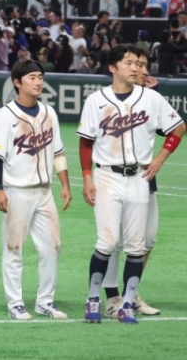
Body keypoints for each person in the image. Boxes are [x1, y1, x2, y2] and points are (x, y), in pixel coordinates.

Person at [78, 45, 185, 324]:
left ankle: (127, 304)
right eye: (129, 63)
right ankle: (94, 300)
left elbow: (178, 128)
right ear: (113, 68)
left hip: (140, 176)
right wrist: (87, 176)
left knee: (137, 245)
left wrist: (160, 159)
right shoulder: (96, 100)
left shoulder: (151, 98)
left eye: (139, 63)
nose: (136, 67)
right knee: (108, 240)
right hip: (106, 175)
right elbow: (85, 141)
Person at [0, 59, 71, 320]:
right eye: (32, 77)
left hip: (44, 192)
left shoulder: (49, 113)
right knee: (14, 248)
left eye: (40, 77)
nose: (38, 82)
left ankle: (45, 301)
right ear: (17, 82)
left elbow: (58, 151)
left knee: (52, 247)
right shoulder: (5, 115)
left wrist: (65, 184)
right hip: (17, 191)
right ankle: (15, 304)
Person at [102, 66, 162, 318]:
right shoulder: (110, 100)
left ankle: (131, 293)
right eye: (135, 65)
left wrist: (155, 94)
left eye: (144, 66)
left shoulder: (149, 99)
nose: (141, 70)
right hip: (116, 178)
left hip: (145, 178)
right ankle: (112, 298)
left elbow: (164, 129)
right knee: (113, 241)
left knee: (147, 240)